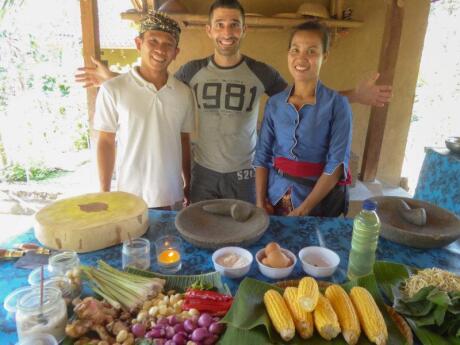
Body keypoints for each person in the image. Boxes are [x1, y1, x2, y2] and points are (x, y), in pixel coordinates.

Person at [76, 0, 392, 205]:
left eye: (234, 25)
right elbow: (155, 83)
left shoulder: (261, 72)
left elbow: (303, 95)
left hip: (246, 174)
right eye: (221, 24)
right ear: (209, 29)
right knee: (201, 235)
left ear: (244, 29)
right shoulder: (191, 71)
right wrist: (115, 79)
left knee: (245, 238)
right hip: (203, 173)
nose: (227, 32)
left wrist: (355, 95)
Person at [93, 11, 194, 209]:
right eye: (153, 41)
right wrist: (104, 191)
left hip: (172, 196)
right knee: (134, 241)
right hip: (130, 197)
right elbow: (105, 141)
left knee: (171, 240)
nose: (160, 49)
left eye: (168, 44)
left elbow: (184, 140)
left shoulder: (183, 93)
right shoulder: (113, 89)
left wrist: (188, 182)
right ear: (139, 44)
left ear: (176, 53)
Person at [254, 21, 351, 217]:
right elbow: (262, 155)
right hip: (274, 197)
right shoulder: (274, 103)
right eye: (295, 50)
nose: (301, 58)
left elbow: (337, 163)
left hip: (317, 203)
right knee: (272, 248)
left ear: (325, 56)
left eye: (311, 51)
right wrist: (259, 202)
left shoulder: (338, 105)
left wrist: (303, 209)